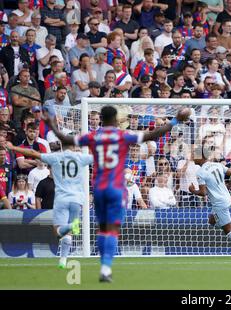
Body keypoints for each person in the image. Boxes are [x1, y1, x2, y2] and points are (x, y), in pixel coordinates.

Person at [44, 105, 191, 282]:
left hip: (98, 188)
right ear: (115, 119)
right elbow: (152, 135)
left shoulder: (93, 136)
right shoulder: (123, 135)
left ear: (101, 119)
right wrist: (175, 121)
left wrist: (51, 123)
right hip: (116, 188)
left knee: (102, 228)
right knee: (112, 230)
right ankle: (105, 269)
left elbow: (64, 137)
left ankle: (102, 264)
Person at [6, 141, 93, 269]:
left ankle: (68, 237)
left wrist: (13, 147)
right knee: (69, 234)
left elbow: (32, 152)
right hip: (77, 200)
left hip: (61, 199)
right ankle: (63, 259)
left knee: (58, 232)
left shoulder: (56, 157)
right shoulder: (81, 157)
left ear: (62, 146)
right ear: (74, 146)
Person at [189, 140, 231, 258]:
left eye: (194, 155)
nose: (192, 157)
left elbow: (203, 193)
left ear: (201, 156)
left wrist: (192, 190)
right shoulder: (217, 164)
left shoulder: (200, 172)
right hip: (226, 198)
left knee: (227, 230)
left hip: (219, 203)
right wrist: (228, 187)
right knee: (211, 220)